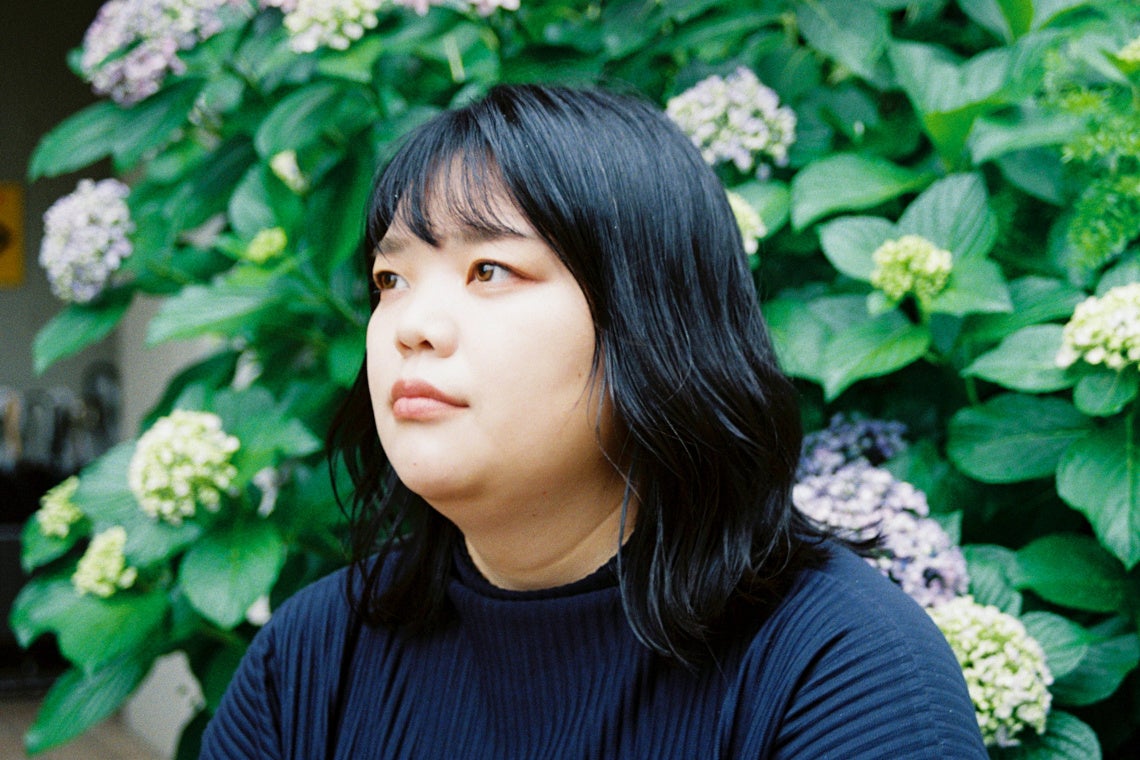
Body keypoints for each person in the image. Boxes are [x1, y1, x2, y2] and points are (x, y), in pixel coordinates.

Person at [200, 84, 987, 759]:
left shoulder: (842, 672)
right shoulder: (311, 659)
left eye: (489, 269)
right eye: (391, 279)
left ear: (653, 321)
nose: (412, 326)